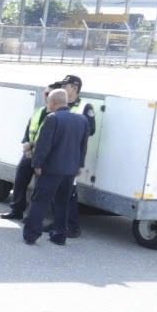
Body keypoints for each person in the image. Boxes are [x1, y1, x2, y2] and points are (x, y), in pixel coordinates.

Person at [23, 87, 89, 246]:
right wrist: (79, 165)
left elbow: (43, 145)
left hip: (51, 169)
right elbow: (83, 146)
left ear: (53, 102)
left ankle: (31, 234)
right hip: (70, 170)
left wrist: (37, 164)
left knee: (40, 201)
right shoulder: (82, 120)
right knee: (62, 203)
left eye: (48, 102)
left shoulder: (53, 118)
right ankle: (60, 235)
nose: (48, 105)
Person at [0, 81, 63, 222]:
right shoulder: (40, 111)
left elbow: (51, 139)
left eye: (48, 94)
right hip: (29, 153)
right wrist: (26, 143)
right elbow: (30, 128)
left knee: (40, 188)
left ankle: (33, 217)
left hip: (44, 157)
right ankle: (16, 210)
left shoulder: (57, 116)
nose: (45, 96)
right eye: (45, 93)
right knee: (20, 182)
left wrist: (32, 146)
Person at [57, 73, 98, 238]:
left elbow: (92, 129)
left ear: (75, 88)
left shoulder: (85, 107)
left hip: (72, 156)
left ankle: (73, 227)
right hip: (58, 154)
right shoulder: (61, 104)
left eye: (65, 86)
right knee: (57, 191)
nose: (62, 89)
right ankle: (59, 223)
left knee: (69, 192)